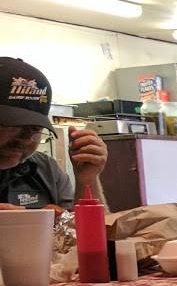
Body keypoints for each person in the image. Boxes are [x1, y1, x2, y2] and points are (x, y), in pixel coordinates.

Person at [0, 57, 107, 211]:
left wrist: (87, 180)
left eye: (35, 128)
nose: (25, 138)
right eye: (12, 125)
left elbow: (85, 225)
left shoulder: (46, 169)